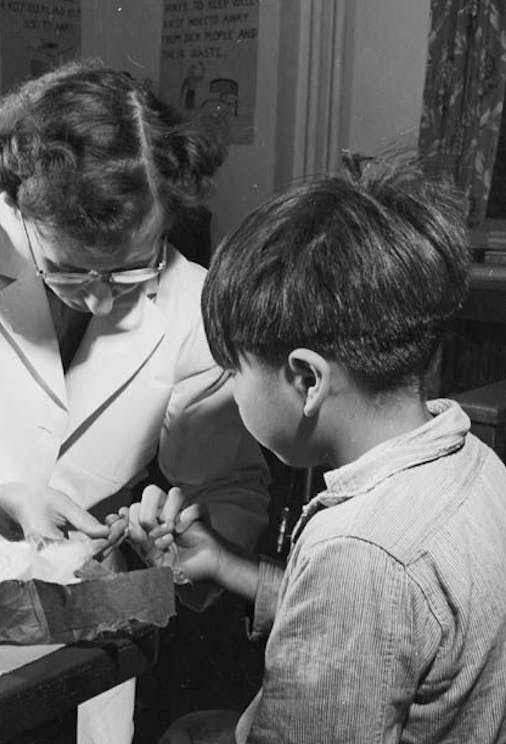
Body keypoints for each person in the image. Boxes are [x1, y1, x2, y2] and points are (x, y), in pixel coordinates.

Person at [0, 59, 271, 744]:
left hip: (92, 621)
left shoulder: (195, 303)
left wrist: (177, 538)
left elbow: (228, 488)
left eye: (129, 269)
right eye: (69, 268)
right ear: (14, 203)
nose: (98, 297)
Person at [135, 158, 506, 743]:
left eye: (232, 370)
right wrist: (231, 564)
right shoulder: (476, 464)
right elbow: (387, 628)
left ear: (307, 380)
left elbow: (365, 588)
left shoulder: (358, 549)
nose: (230, 391)